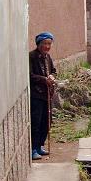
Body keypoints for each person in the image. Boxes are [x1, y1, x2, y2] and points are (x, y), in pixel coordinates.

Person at [29, 32, 57, 160]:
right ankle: (33, 148)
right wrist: (44, 79)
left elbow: (53, 71)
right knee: (36, 122)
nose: (47, 46)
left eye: (49, 44)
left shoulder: (47, 57)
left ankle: (40, 145)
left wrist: (52, 76)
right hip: (36, 95)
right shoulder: (32, 57)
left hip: (47, 94)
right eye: (45, 43)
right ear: (39, 44)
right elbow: (30, 75)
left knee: (46, 122)